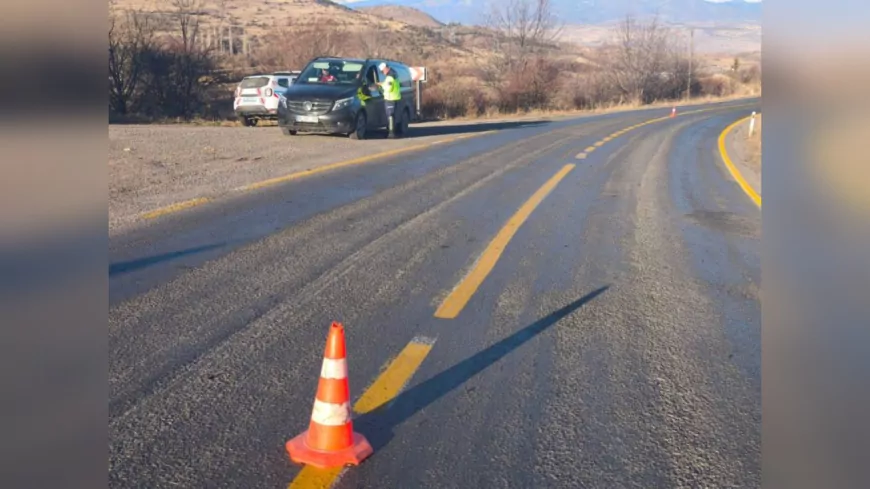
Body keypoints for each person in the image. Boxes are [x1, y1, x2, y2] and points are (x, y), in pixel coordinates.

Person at [373, 62, 402, 138]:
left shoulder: (390, 77)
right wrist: (382, 83)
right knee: (393, 116)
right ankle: (392, 131)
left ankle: (391, 133)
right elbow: (389, 84)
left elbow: (388, 88)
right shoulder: (394, 74)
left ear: (386, 68)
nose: (383, 73)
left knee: (390, 116)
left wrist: (380, 86)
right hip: (395, 98)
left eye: (383, 71)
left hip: (390, 98)